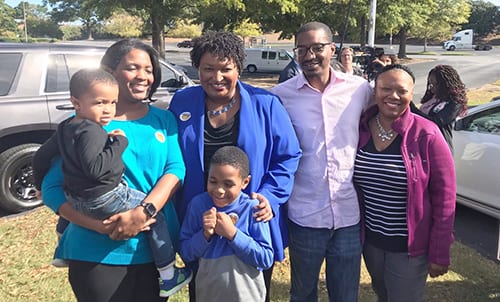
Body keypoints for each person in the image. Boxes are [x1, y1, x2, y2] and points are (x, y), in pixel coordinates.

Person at [41, 39, 186, 302]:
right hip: (96, 253)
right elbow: (51, 189)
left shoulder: (164, 119)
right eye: (133, 67)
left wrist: (144, 213)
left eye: (149, 69)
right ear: (108, 71)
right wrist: (99, 226)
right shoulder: (83, 125)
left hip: (154, 252)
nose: (143, 76)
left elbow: (175, 169)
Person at [169, 30, 301, 302]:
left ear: (238, 68)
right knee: (203, 291)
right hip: (200, 220)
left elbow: (288, 155)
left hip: (250, 221)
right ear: (197, 68)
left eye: (225, 69)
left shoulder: (266, 104)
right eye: (208, 69)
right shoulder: (182, 102)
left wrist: (270, 196)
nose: (217, 78)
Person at [271, 22, 373, 302]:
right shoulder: (282, 96)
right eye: (301, 49)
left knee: (345, 295)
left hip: (348, 215)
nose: (309, 55)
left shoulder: (359, 90)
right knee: (302, 294)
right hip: (305, 215)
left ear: (332, 49)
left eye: (317, 48)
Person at [353, 64, 456, 302]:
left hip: (409, 249)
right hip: (372, 244)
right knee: (384, 295)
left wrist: (439, 252)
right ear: (375, 90)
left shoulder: (427, 134)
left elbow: (446, 197)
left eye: (402, 91)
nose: (393, 96)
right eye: (386, 89)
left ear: (412, 94)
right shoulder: (360, 129)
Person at [179, 146, 273, 301]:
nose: (219, 190)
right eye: (213, 181)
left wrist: (234, 235)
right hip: (208, 295)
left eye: (228, 184)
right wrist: (204, 235)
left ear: (245, 182)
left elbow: (266, 258)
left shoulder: (253, 208)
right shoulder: (198, 205)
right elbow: (186, 253)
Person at [414, 64, 468, 151]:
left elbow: (437, 121)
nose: (432, 88)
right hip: (423, 143)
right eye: (430, 84)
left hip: (440, 147)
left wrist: (413, 109)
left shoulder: (455, 103)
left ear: (446, 85)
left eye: (435, 84)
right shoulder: (432, 98)